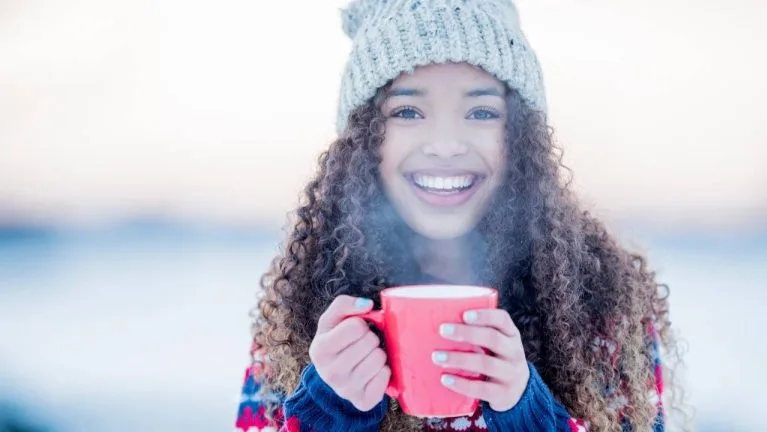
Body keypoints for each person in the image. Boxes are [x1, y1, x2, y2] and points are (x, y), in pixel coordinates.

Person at [235, 0, 684, 430]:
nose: (446, 144)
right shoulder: (300, 307)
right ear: (366, 140)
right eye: (408, 111)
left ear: (519, 137)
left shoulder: (602, 301)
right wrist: (328, 411)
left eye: (481, 112)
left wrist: (527, 413)